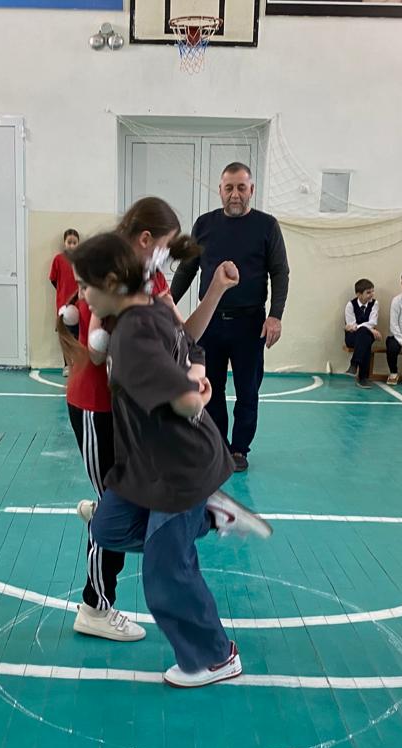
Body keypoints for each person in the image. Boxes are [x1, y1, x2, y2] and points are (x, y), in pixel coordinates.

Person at [72, 232, 270, 688]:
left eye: (86, 285)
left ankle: (215, 657)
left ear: (111, 283)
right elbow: (190, 345)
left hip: (180, 466)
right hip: (145, 463)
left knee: (166, 572)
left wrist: (194, 393)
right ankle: (210, 515)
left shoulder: (134, 336)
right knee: (106, 529)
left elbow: (184, 399)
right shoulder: (143, 312)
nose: (81, 295)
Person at [61, 197, 237, 644]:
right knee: (112, 507)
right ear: (145, 240)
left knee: (130, 507)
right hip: (100, 408)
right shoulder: (105, 273)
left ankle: (126, 515)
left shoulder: (149, 280)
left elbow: (185, 337)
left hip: (139, 416)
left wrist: (215, 293)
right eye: (164, 244)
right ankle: (96, 605)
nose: (167, 254)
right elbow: (97, 349)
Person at [170, 162, 290, 473]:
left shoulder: (267, 226)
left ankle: (239, 449)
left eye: (241, 188)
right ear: (220, 190)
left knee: (248, 391)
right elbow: (187, 269)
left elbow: (280, 272)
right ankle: (219, 445)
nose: (235, 194)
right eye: (229, 188)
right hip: (210, 323)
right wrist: (166, 303)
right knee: (211, 388)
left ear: (251, 190)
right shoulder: (204, 224)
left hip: (250, 324)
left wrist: (275, 316)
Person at [50, 228, 81, 371]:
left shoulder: (81, 260)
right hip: (63, 303)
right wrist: (63, 293)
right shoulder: (58, 259)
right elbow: (53, 279)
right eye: (69, 242)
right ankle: (67, 365)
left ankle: (78, 364)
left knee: (78, 334)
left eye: (75, 242)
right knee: (65, 335)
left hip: (79, 304)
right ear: (64, 243)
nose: (72, 245)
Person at [344, 278, 382, 389]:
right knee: (365, 340)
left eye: (372, 291)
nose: (372, 295)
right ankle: (363, 378)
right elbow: (351, 326)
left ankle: (354, 364)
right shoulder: (350, 305)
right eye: (368, 292)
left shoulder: (374, 304)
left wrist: (364, 328)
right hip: (352, 337)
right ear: (359, 294)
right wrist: (369, 329)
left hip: (368, 335)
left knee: (364, 336)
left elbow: (373, 322)